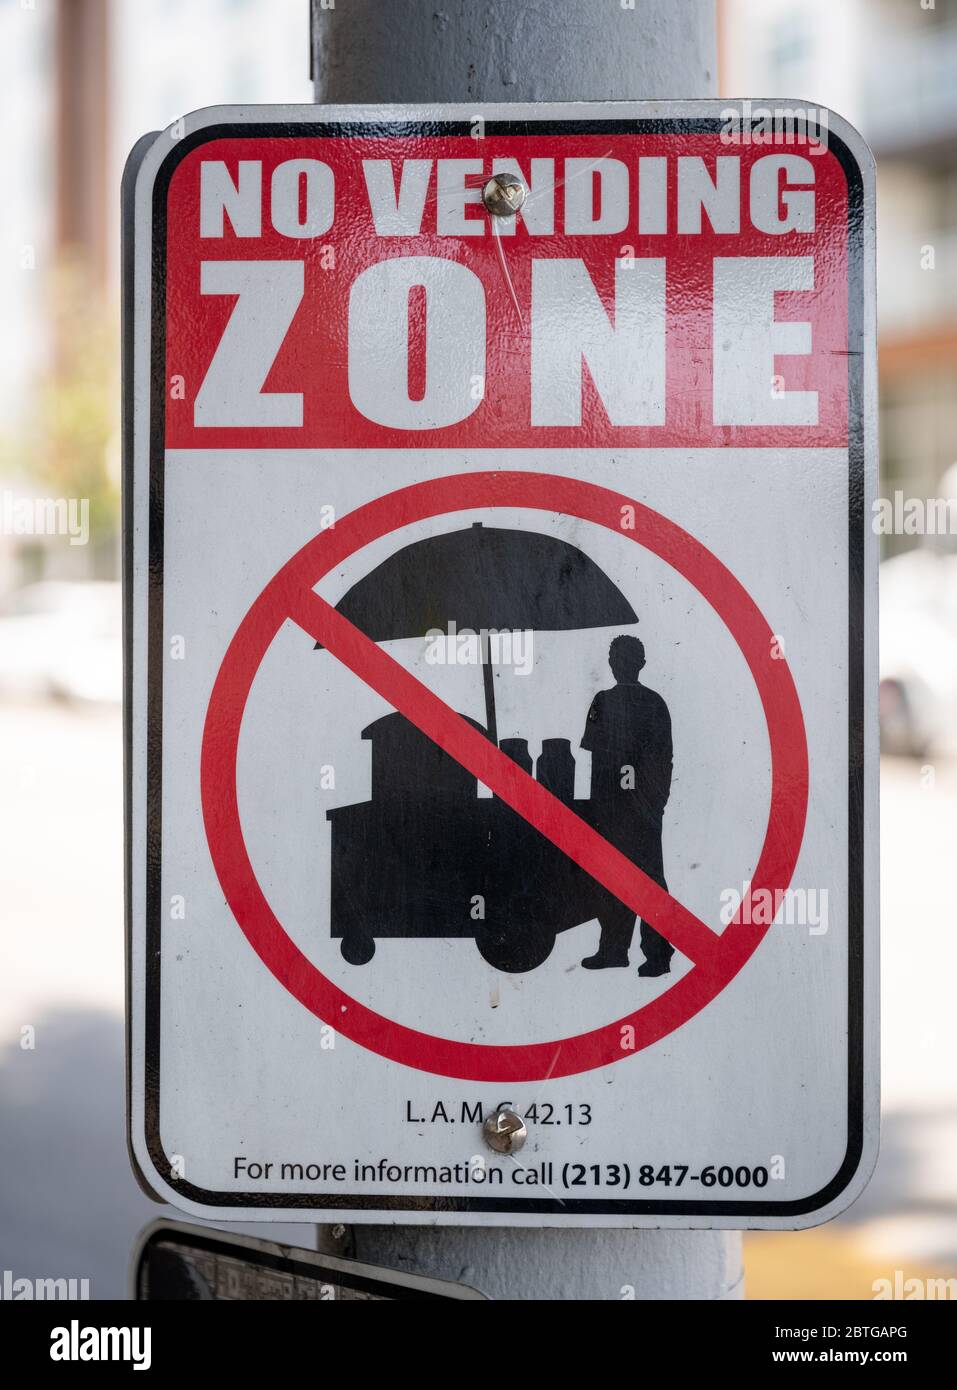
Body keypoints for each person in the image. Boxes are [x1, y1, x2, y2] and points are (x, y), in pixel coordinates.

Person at [579, 634, 674, 976]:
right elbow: (598, 759)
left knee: (641, 880)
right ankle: (619, 950)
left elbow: (662, 758)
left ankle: (650, 953)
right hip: (625, 806)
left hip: (633, 807)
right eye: (616, 658)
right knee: (622, 878)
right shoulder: (642, 702)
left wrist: (654, 800)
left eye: (621, 659)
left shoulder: (618, 702)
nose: (617, 665)